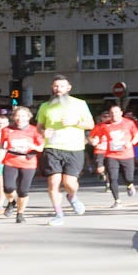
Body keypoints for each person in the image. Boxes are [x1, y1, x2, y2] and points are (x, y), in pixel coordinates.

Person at [35, 75, 94, 226]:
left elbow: (90, 125)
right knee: (53, 182)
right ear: (52, 88)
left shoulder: (79, 104)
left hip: (74, 148)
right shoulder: (45, 106)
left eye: (61, 86)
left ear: (68, 88)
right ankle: (58, 213)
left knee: (70, 183)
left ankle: (72, 196)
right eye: (55, 86)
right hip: (52, 148)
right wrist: (43, 132)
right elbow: (39, 126)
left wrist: (75, 122)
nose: (58, 89)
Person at [90, 105, 138, 207]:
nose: (114, 115)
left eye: (116, 113)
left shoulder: (128, 123)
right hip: (111, 155)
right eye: (112, 113)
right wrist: (94, 141)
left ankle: (129, 184)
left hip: (127, 154)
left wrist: (131, 143)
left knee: (129, 177)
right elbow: (94, 136)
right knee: (113, 177)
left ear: (121, 113)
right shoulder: (104, 125)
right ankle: (117, 200)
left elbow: (137, 135)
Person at [0, 106, 44, 223]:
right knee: (8, 187)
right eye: (17, 115)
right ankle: (11, 201)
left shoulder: (35, 130)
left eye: (23, 116)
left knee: (23, 190)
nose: (20, 118)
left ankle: (20, 213)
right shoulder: (6, 130)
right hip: (11, 160)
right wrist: (0, 154)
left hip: (28, 161)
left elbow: (41, 147)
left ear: (29, 117)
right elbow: (2, 144)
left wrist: (33, 146)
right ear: (13, 117)